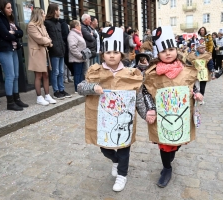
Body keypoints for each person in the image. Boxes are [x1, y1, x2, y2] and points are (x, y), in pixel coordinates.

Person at [77, 27, 146, 192]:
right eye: (108, 52)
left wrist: (146, 114)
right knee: (105, 147)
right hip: (104, 121)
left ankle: (122, 174)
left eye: (116, 52)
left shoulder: (130, 73)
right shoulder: (95, 72)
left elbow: (138, 96)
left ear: (121, 54)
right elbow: (80, 87)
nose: (112, 55)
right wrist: (93, 87)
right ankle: (115, 161)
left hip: (123, 120)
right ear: (103, 55)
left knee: (123, 148)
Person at [142, 26, 203, 188]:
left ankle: (171, 155)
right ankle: (166, 168)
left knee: (176, 144)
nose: (168, 53)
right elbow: (146, 91)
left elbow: (190, 86)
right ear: (157, 53)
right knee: (164, 145)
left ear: (176, 50)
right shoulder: (152, 73)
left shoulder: (185, 70)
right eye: (164, 51)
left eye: (171, 49)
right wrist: (150, 108)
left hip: (181, 116)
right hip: (163, 118)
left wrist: (196, 94)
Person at [0, 0, 28, 111]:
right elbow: (5, 34)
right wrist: (14, 35)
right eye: (8, 8)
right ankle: (10, 102)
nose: (11, 10)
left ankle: (17, 99)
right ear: (2, 8)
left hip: (13, 49)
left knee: (15, 75)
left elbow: (21, 32)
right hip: (3, 50)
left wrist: (13, 33)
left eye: (11, 7)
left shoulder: (9, 19)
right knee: (10, 76)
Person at [27, 7, 56, 106]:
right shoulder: (31, 25)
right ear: (39, 14)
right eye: (43, 14)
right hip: (37, 54)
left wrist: (47, 41)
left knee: (46, 75)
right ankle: (39, 97)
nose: (44, 15)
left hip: (44, 53)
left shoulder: (42, 26)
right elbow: (40, 39)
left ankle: (47, 95)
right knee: (38, 76)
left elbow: (48, 38)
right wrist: (47, 41)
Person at [45, 4, 72, 99]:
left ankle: (61, 89)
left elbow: (60, 38)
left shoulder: (58, 23)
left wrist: (63, 48)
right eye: (59, 10)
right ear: (54, 11)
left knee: (61, 72)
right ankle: (56, 91)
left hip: (61, 50)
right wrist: (52, 48)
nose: (60, 11)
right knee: (55, 72)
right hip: (54, 51)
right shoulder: (47, 23)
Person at [186, 39, 215, 105]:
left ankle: (201, 98)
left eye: (204, 47)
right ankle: (195, 96)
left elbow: (210, 64)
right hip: (195, 74)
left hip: (203, 75)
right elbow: (188, 63)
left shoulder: (207, 55)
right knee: (196, 86)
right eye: (201, 48)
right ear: (197, 48)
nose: (203, 49)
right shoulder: (192, 55)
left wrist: (212, 70)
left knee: (202, 87)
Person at [68, 20, 86, 93]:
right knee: (77, 74)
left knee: (81, 74)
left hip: (81, 58)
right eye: (80, 25)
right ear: (76, 26)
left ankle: (81, 88)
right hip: (77, 58)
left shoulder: (78, 33)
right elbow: (72, 47)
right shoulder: (72, 35)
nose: (81, 26)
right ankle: (77, 89)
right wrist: (80, 55)